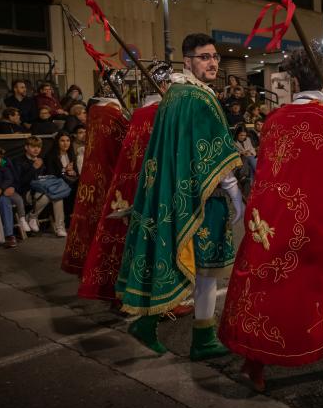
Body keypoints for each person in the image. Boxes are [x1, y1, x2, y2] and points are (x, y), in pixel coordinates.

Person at [219, 45, 323, 392]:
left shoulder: (275, 120)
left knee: (267, 287)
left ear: (293, 80)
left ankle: (254, 363)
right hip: (319, 223)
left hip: (273, 220)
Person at [116, 33, 244, 360]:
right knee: (206, 270)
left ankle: (146, 325)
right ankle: (202, 339)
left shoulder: (174, 95)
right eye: (204, 57)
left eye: (215, 56)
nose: (213, 62)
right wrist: (237, 196)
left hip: (175, 193)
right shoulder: (198, 99)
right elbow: (216, 154)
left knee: (179, 257)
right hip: (202, 197)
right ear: (187, 62)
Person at [78, 65, 170, 303]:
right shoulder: (159, 112)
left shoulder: (132, 114)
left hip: (126, 180)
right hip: (152, 183)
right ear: (163, 85)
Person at [61, 72, 129, 274]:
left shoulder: (95, 110)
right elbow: (124, 144)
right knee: (107, 222)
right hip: (108, 173)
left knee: (90, 218)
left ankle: (87, 264)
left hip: (92, 172)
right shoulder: (112, 113)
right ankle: (103, 268)